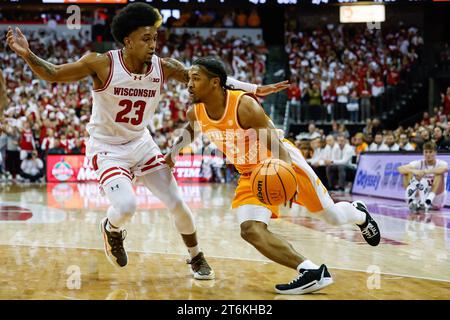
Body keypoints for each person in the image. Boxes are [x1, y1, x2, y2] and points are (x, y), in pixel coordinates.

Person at [6, 3, 288, 277]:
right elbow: (53, 73)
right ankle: (111, 228)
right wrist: (27, 54)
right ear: (128, 41)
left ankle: (196, 257)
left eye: (154, 38)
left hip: (141, 143)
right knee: (127, 206)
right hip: (107, 148)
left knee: (177, 202)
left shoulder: (163, 67)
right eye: (145, 38)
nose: (153, 44)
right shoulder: (101, 63)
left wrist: (254, 88)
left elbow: (208, 77)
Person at [166, 57, 381, 295]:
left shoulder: (244, 106)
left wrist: (287, 176)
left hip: (280, 163)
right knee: (249, 229)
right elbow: (190, 130)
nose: (189, 84)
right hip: (250, 174)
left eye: (196, 79)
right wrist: (172, 154)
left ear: (215, 83)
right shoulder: (195, 112)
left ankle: (358, 214)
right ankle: (310, 271)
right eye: (189, 79)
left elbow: (276, 144)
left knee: (332, 217)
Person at [398, 141, 448, 214]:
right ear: (423, 153)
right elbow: (400, 169)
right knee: (407, 173)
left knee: (439, 174)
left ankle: (428, 200)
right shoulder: (419, 163)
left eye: (430, 152)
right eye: (426, 152)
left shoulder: (441, 163)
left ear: (435, 153)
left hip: (436, 198)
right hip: (420, 195)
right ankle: (411, 200)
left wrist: (425, 172)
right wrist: (414, 171)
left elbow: (445, 169)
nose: (428, 154)